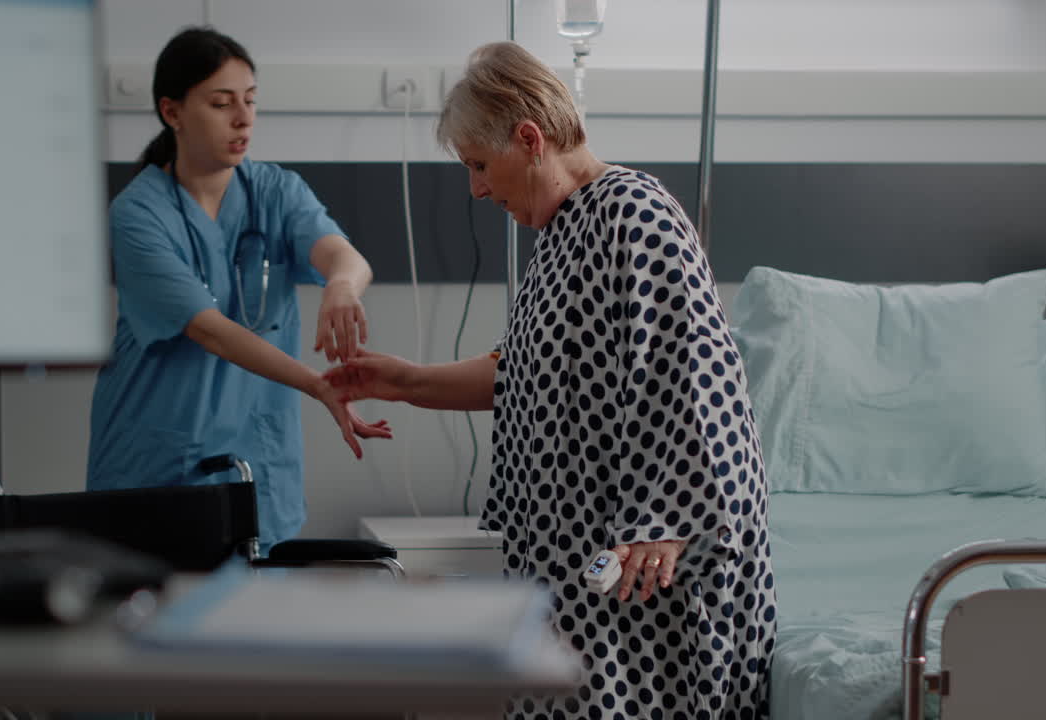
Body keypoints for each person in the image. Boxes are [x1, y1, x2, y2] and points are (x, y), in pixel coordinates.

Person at [327, 42, 775, 719]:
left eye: (479, 165)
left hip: (641, 568)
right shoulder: (565, 231)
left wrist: (665, 524)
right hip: (575, 567)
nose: (476, 188)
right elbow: (525, 375)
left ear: (530, 139)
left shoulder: (634, 213)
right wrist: (407, 381)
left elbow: (700, 378)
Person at [88, 27, 390, 553]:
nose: (243, 117)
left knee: (255, 619)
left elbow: (344, 256)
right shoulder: (138, 215)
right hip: (157, 464)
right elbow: (212, 331)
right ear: (172, 112)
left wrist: (341, 287)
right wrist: (317, 383)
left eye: (250, 101)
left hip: (257, 463)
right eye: (221, 103)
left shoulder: (275, 191)